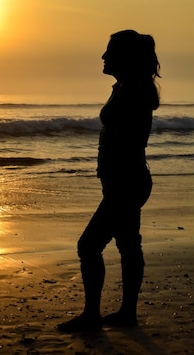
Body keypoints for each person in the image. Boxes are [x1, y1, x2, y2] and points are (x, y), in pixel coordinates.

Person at [58, 30, 161, 332]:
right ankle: (126, 313)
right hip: (128, 180)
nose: (103, 57)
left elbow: (127, 142)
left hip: (126, 182)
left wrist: (113, 184)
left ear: (125, 57)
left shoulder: (133, 91)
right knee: (129, 244)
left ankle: (93, 315)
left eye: (109, 52)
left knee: (89, 245)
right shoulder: (127, 87)